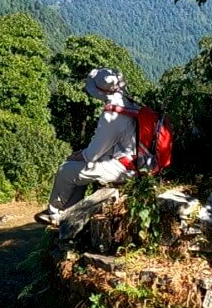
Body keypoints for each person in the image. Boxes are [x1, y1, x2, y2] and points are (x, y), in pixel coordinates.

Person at [34, 67, 138, 227]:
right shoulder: (130, 104)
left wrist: (79, 155)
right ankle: (68, 213)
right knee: (76, 170)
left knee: (66, 170)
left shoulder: (113, 114)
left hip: (123, 168)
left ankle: (54, 213)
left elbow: (94, 152)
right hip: (135, 161)